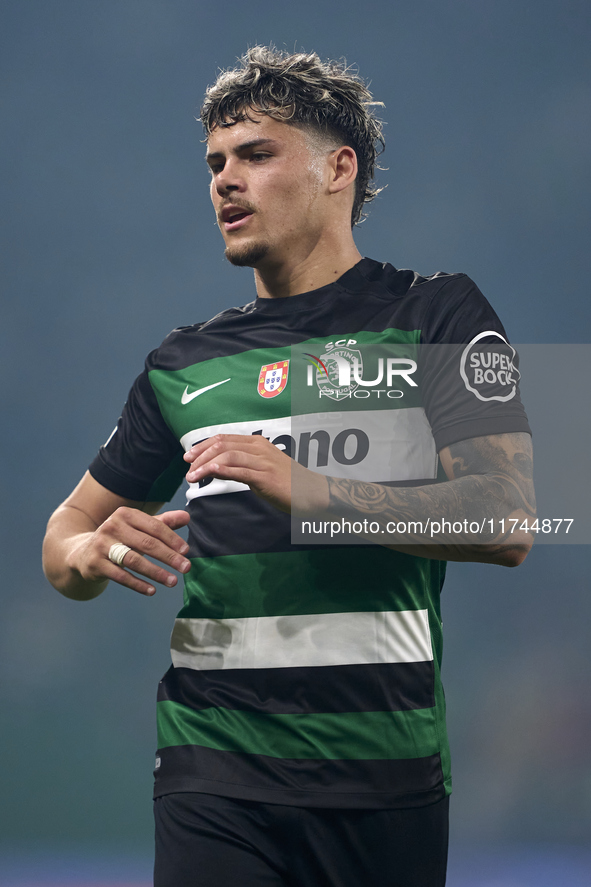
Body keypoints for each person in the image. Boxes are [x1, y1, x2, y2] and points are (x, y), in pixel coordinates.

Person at [43, 46, 535, 887]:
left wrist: (306, 488)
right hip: (212, 768)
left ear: (337, 168)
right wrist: (91, 556)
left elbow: (506, 519)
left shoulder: (438, 312)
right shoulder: (181, 360)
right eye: (215, 163)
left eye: (257, 155)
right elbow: (64, 537)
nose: (225, 181)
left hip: (385, 774)